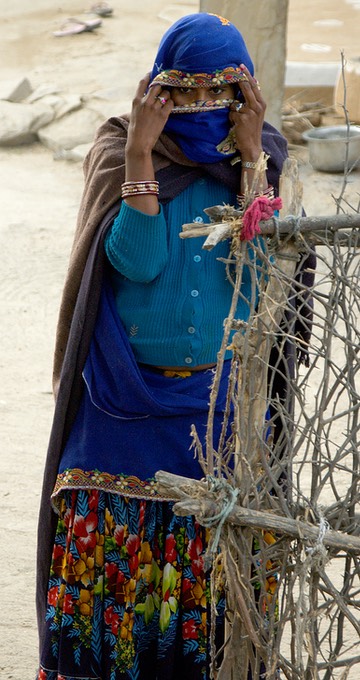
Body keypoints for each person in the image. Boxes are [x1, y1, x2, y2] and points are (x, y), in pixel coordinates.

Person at [36, 12, 315, 680]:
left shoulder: (262, 158)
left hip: (221, 407)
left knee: (221, 573)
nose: (200, 111)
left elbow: (262, 283)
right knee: (111, 583)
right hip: (124, 404)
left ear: (245, 97)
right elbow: (136, 264)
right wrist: (140, 155)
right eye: (184, 93)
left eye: (221, 96)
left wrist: (250, 161)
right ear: (157, 87)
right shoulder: (120, 150)